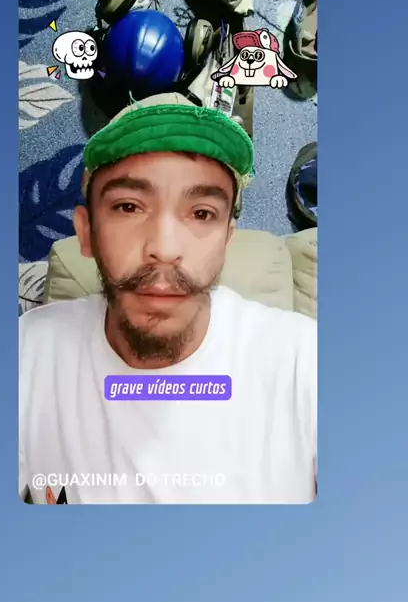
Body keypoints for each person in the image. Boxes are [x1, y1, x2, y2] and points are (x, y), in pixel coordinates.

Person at [19, 93, 317, 504]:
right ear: (86, 233)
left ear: (226, 240)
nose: (164, 248)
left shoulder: (307, 359)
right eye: (129, 207)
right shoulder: (26, 353)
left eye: (202, 213)